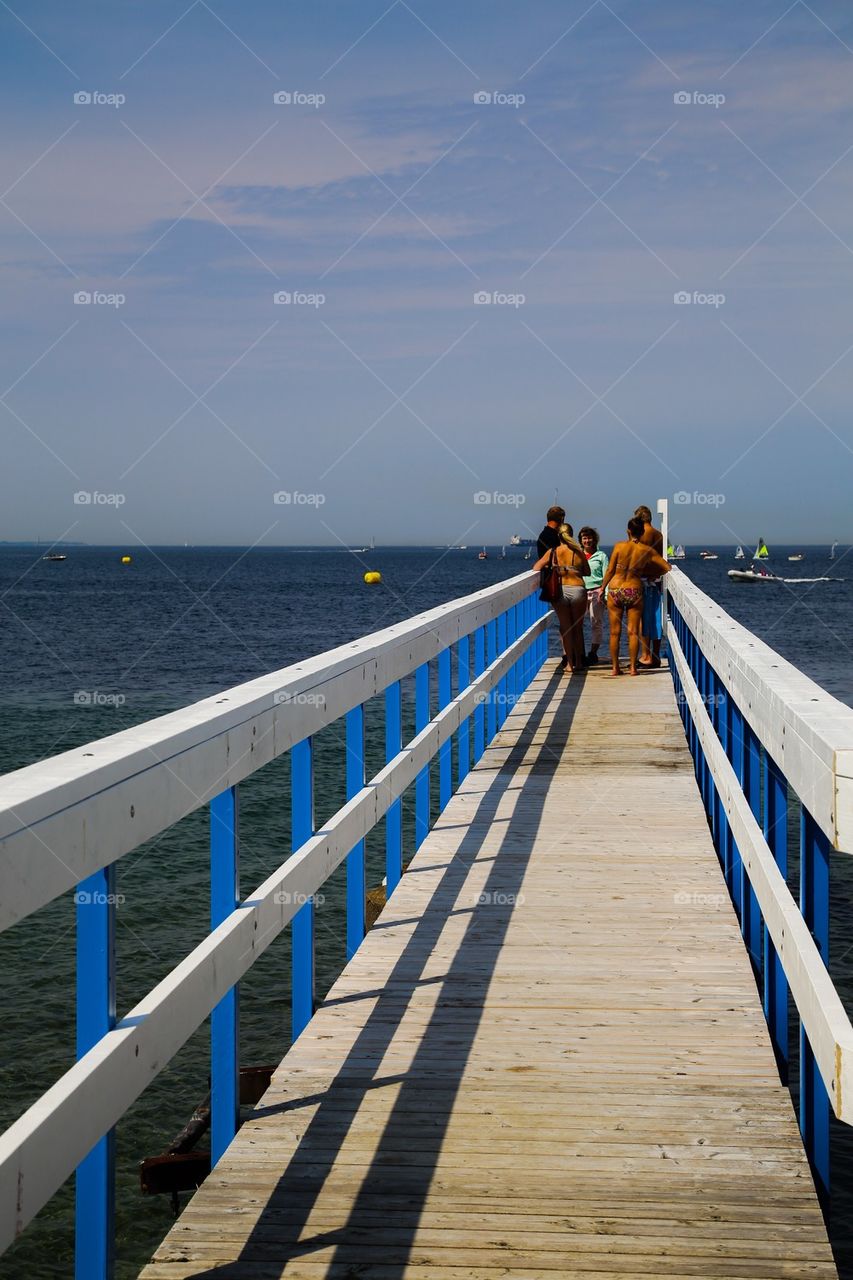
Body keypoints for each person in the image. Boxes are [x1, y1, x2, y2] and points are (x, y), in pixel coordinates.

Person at [600, 516, 670, 676]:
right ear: (642, 532)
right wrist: (653, 574)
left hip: (616, 589)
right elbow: (666, 567)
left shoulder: (619, 546)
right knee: (633, 631)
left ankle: (615, 668)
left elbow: (610, 570)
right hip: (634, 590)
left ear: (628, 531)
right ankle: (632, 668)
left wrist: (602, 588)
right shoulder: (647, 550)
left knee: (614, 632)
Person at [534, 521, 590, 672]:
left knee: (566, 628)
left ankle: (569, 664)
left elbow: (536, 567)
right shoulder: (579, 552)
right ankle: (579, 662)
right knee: (577, 628)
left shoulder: (553, 552)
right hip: (578, 589)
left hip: (561, 591)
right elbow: (587, 572)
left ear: (559, 536)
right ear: (571, 535)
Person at [634, 504, 665, 668]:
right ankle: (656, 655)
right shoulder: (659, 535)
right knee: (655, 618)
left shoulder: (640, 536)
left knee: (644, 620)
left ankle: (645, 655)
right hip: (656, 581)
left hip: (643, 581)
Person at [578, 526, 608, 665]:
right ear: (580, 540)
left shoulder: (601, 556)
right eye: (584, 538)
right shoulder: (578, 554)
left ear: (594, 539)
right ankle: (578, 653)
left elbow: (606, 575)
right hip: (580, 592)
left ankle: (593, 653)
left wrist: (604, 593)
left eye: (589, 538)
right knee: (576, 624)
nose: (587, 541)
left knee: (596, 623)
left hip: (597, 592)